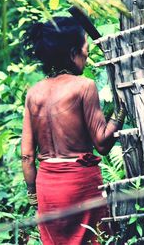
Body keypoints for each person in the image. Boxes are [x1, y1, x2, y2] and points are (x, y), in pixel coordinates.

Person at [21, 16, 125, 244]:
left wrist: (33, 195)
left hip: (47, 187)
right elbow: (102, 144)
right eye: (85, 47)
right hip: (80, 184)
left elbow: (27, 156)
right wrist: (120, 113)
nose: (87, 54)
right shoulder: (83, 86)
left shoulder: (33, 93)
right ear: (72, 53)